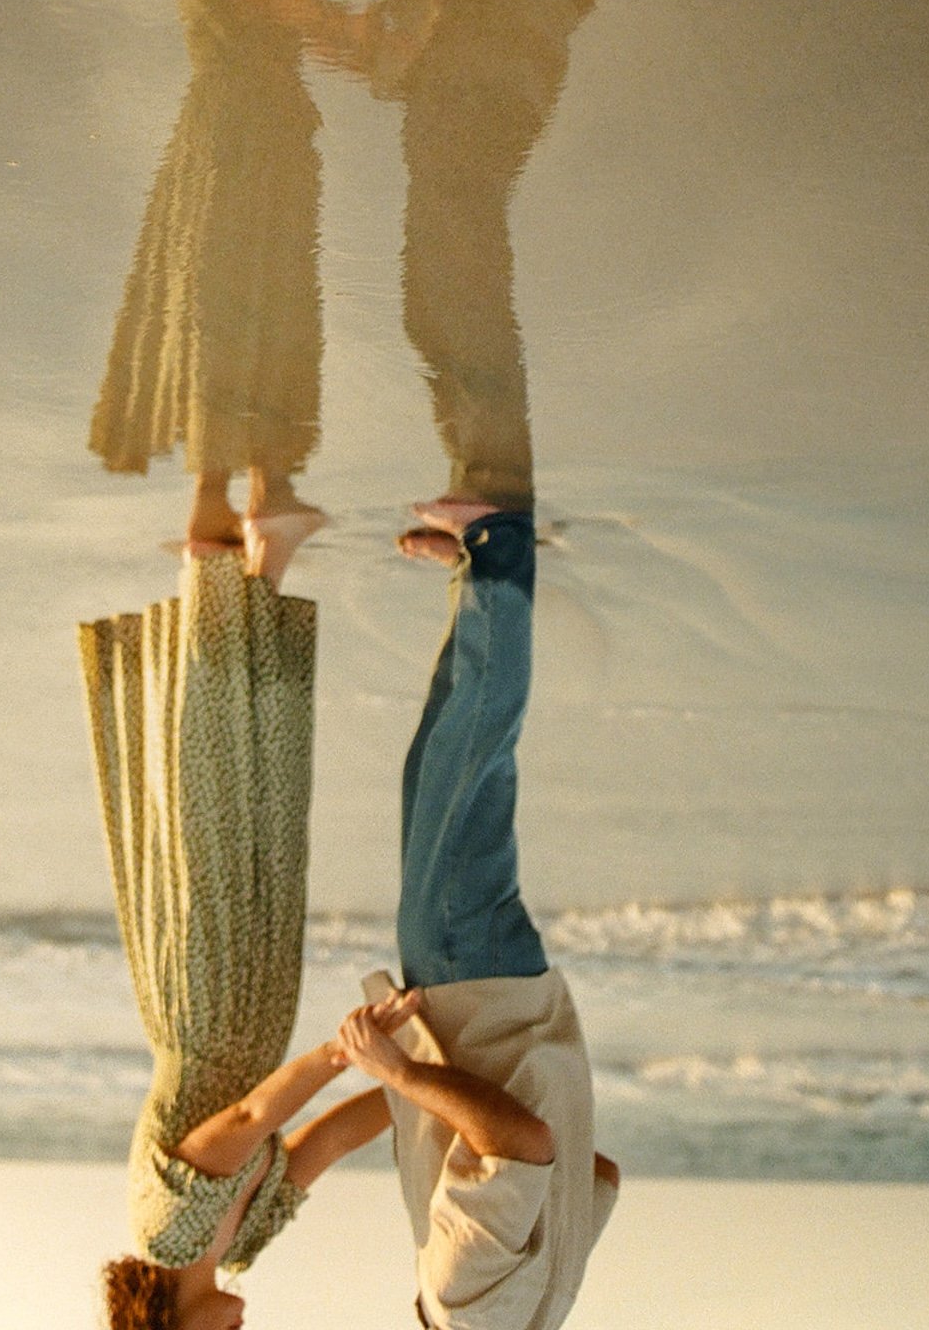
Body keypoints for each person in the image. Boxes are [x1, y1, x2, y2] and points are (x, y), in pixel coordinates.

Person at [80, 528, 418, 1330]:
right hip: (253, 1014)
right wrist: (418, 1088)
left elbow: (247, 1121)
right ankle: (257, 565)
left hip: (202, 1003)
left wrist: (352, 1047)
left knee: (210, 808)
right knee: (264, 808)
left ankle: (221, 572)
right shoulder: (239, 1245)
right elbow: (325, 1143)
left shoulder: (167, 1235)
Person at [335, 500, 618, 1330]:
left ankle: (476, 580)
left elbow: (595, 1177)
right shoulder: (464, 1314)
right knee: (466, 765)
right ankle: (498, 547)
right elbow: (523, 1144)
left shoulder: (540, 1316)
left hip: (508, 1003)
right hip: (472, 992)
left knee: (438, 770)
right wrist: (398, 1075)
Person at [317, 0, 595, 508]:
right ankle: (477, 479)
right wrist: (384, 35)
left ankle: (495, 481)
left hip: (482, 76)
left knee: (453, 278)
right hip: (489, 73)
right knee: (440, 282)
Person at [89, 0, 363, 553]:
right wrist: (384, 39)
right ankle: (253, 492)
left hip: (227, 129)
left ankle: (229, 497)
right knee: (254, 292)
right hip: (249, 134)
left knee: (231, 293)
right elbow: (313, 20)